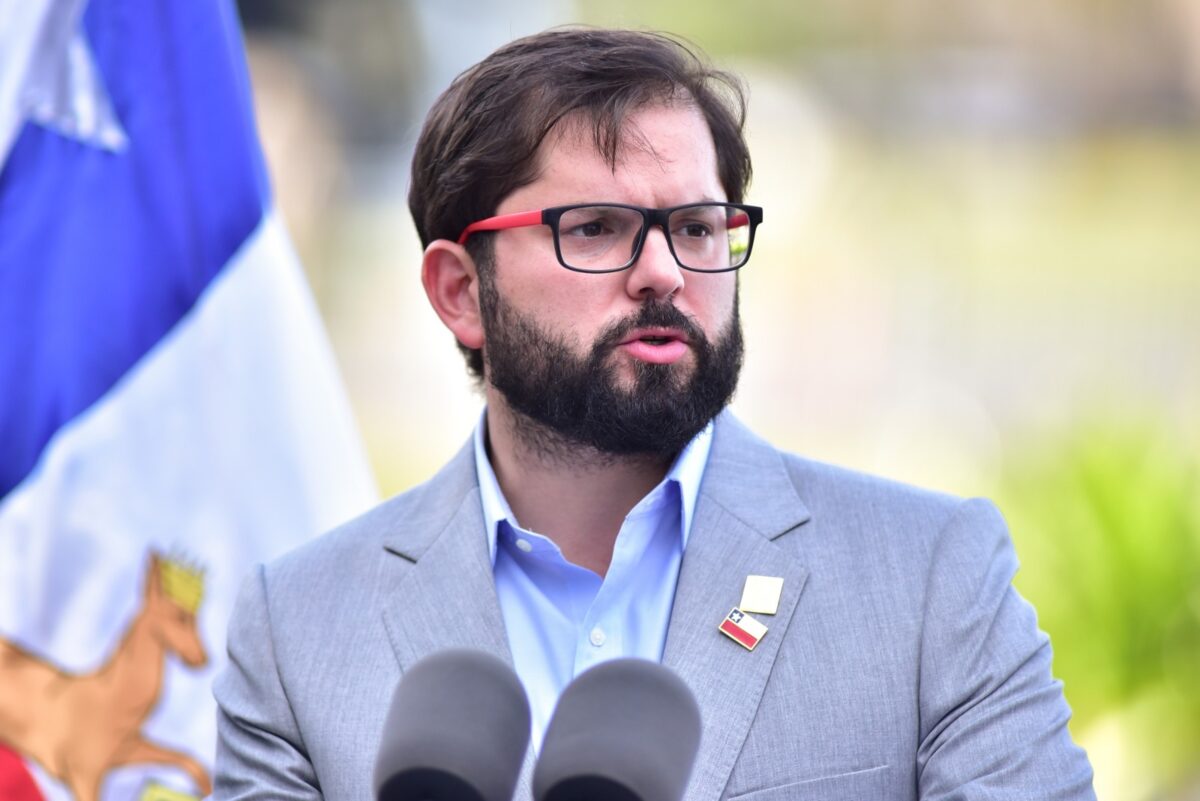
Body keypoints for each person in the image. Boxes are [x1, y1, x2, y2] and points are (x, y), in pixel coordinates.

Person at [213, 27, 1096, 800]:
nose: (666, 273)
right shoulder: (298, 629)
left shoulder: (928, 579)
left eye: (699, 227)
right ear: (459, 291)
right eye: (595, 227)